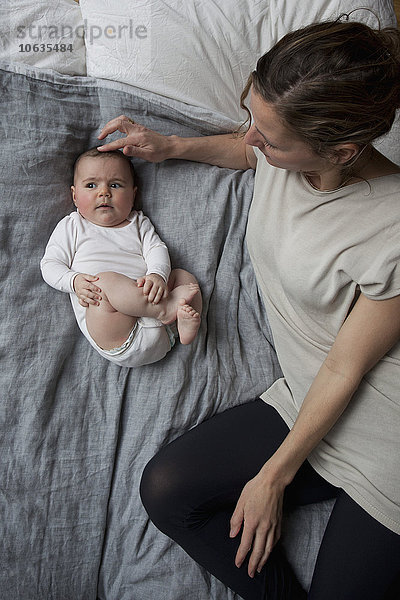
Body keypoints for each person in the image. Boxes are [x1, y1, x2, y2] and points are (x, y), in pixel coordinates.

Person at [97, 18, 400, 600]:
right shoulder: (285, 148)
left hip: (382, 436)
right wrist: (171, 147)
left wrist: (272, 477)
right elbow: (250, 149)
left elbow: (347, 369)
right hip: (307, 396)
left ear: (342, 150)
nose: (253, 140)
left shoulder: (390, 227)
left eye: (271, 137)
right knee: (168, 490)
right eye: (253, 119)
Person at [41, 148, 201, 368]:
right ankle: (165, 309)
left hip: (163, 331)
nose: (104, 192)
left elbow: (156, 249)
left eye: (115, 185)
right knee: (103, 281)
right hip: (115, 330)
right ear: (75, 196)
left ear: (133, 195)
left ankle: (184, 327)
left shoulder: (138, 222)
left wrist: (158, 275)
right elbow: (49, 265)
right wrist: (74, 281)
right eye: (91, 185)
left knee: (184, 277)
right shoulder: (72, 226)